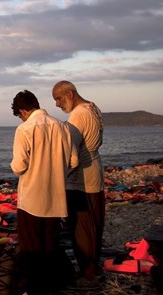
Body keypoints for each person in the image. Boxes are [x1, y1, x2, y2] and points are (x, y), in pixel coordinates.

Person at [10, 90, 78, 295]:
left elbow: (19, 166)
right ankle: (52, 284)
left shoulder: (25, 128)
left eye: (20, 114)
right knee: (50, 243)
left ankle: (36, 288)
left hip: (31, 198)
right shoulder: (62, 126)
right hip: (56, 197)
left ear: (23, 110)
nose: (21, 118)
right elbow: (73, 161)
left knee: (31, 247)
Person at [52, 81, 105, 291]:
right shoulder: (93, 108)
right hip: (95, 172)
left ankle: (88, 275)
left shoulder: (77, 115)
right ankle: (93, 268)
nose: (57, 104)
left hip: (81, 178)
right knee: (94, 224)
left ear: (70, 93)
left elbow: (69, 152)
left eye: (58, 98)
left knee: (81, 227)